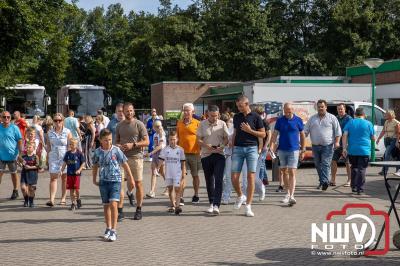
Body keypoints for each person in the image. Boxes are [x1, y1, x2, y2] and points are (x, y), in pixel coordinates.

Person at [92, 129, 135, 242]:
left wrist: (130, 178)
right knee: (106, 205)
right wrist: (94, 178)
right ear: (100, 140)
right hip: (103, 181)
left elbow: (125, 164)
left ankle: (114, 230)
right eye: (106, 140)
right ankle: (108, 227)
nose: (108, 142)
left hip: (115, 181)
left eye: (110, 140)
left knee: (113, 204)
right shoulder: (97, 152)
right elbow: (95, 165)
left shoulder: (116, 150)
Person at [231, 95, 266, 217]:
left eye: (240, 106)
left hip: (252, 149)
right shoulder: (236, 116)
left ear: (247, 104)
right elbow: (235, 132)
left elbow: (263, 134)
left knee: (250, 178)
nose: (239, 108)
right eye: (237, 106)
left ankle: (248, 206)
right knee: (234, 177)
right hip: (238, 149)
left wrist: (250, 130)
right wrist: (232, 144)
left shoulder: (256, 117)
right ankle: (241, 196)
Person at [116, 102, 149, 221]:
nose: (129, 113)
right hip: (122, 158)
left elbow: (147, 142)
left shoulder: (139, 124)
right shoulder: (119, 125)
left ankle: (139, 209)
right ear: (123, 111)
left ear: (133, 111)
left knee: (138, 184)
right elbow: (116, 142)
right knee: (120, 184)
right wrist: (119, 146)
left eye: (131, 110)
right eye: (126, 111)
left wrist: (133, 144)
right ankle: (120, 211)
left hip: (136, 157)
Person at [270, 103, 305, 205]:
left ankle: (292, 195)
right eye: (285, 111)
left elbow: (302, 135)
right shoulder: (280, 120)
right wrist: (271, 146)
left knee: (292, 172)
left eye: (289, 111)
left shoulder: (298, 120)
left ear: (292, 110)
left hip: (294, 150)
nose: (287, 113)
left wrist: (303, 149)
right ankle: (287, 193)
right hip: (282, 149)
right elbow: (275, 134)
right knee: (284, 171)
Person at [197, 105, 229, 215]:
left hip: (219, 155)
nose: (214, 118)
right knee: (209, 180)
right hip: (206, 155)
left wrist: (223, 146)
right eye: (212, 116)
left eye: (216, 116)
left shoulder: (222, 124)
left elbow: (226, 138)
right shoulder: (202, 124)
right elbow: (198, 140)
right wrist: (206, 145)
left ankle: (216, 205)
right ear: (207, 114)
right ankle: (211, 203)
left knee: (219, 179)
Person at [304, 99, 341, 191]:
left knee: (325, 163)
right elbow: (305, 131)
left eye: (322, 107)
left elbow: (338, 132)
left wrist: (337, 142)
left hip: (328, 146)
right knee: (317, 164)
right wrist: (300, 139)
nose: (320, 108)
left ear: (326, 107)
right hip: (315, 146)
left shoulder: (332, 118)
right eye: (319, 107)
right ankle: (322, 181)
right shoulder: (312, 118)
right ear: (317, 107)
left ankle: (325, 182)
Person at [107, 103, 133, 214]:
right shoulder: (112, 123)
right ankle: (120, 209)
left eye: (122, 111)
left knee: (131, 180)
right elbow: (106, 137)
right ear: (116, 112)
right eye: (118, 111)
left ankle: (130, 193)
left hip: (130, 155)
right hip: (116, 156)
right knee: (120, 181)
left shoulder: (130, 122)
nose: (121, 113)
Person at [342, 108, 375, 194]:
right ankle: (360, 188)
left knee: (354, 167)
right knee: (362, 169)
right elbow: (372, 138)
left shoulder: (350, 122)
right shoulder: (368, 123)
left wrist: (344, 148)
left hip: (352, 150)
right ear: (364, 115)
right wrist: (372, 148)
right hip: (364, 150)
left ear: (355, 115)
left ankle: (354, 187)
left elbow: (345, 135)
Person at [176, 103, 201, 205]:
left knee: (195, 175)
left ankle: (196, 195)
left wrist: (202, 151)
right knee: (182, 176)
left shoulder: (198, 123)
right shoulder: (179, 123)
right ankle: (181, 197)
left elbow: (201, 138)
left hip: (195, 153)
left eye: (188, 110)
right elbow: (177, 137)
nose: (186, 112)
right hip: (182, 154)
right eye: (184, 110)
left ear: (193, 112)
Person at [46, 113, 72, 207]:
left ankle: (63, 198)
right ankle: (51, 199)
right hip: (53, 157)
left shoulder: (67, 131)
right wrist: (47, 157)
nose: (57, 122)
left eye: (59, 120)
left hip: (64, 157)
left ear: (63, 121)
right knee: (53, 177)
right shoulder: (50, 132)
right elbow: (49, 146)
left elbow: (70, 146)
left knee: (64, 178)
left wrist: (68, 158)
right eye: (55, 120)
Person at [159, 131, 185, 215]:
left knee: (177, 189)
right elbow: (161, 160)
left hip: (177, 173)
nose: (172, 141)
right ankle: (172, 205)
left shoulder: (180, 149)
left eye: (174, 139)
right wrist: (158, 168)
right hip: (168, 173)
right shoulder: (165, 149)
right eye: (171, 139)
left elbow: (183, 162)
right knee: (170, 189)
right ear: (168, 139)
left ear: (177, 139)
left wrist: (183, 172)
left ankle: (177, 207)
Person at [0, 111, 23, 200]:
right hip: (1, 155)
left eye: (8, 117)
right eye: (4, 117)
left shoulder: (14, 128)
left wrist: (20, 154)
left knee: (13, 173)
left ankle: (15, 190)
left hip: (12, 155)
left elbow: (19, 140)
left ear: (10, 118)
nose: (6, 118)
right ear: (1, 118)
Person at [330, 103, 352, 187]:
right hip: (336, 143)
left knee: (347, 162)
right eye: (338, 109)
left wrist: (346, 145)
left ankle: (349, 180)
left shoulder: (349, 119)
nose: (340, 110)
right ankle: (333, 180)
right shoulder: (335, 118)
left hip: (346, 144)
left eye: (341, 109)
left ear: (344, 109)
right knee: (333, 161)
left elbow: (350, 132)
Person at [61, 138, 85, 211]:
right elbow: (65, 163)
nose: (71, 145)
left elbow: (83, 163)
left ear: (76, 145)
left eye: (73, 144)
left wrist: (79, 170)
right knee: (71, 189)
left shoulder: (79, 153)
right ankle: (73, 203)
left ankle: (78, 199)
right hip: (69, 174)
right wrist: (61, 170)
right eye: (70, 144)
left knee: (76, 189)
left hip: (76, 175)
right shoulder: (67, 153)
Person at [146, 120, 166, 198]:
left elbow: (160, 146)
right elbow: (155, 145)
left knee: (162, 172)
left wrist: (150, 153)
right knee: (154, 172)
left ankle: (169, 187)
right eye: (157, 126)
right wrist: (152, 152)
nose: (159, 128)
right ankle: (152, 191)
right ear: (154, 127)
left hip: (161, 155)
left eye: (159, 126)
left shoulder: (162, 134)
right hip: (155, 155)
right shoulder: (155, 135)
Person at [376, 110, 400, 175]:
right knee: (394, 155)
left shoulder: (396, 122)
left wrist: (397, 142)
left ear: (390, 115)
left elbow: (398, 133)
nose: (385, 115)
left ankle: (384, 171)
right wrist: (378, 138)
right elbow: (383, 131)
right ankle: (398, 170)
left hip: (393, 140)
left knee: (387, 154)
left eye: (386, 114)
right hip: (386, 140)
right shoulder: (386, 122)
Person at [18, 142, 39, 207]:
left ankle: (31, 201)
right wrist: (20, 164)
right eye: (26, 147)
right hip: (24, 173)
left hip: (33, 174)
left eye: (29, 147)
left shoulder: (35, 157)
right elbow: (20, 163)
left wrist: (30, 167)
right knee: (23, 188)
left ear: (34, 148)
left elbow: (38, 166)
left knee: (31, 189)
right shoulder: (23, 156)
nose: (27, 148)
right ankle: (26, 200)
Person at [221, 113, 234, 204]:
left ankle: (227, 195)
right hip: (221, 154)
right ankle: (223, 193)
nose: (226, 124)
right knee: (221, 177)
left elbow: (234, 139)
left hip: (229, 155)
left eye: (227, 122)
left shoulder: (233, 128)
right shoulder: (219, 127)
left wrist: (231, 143)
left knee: (227, 177)